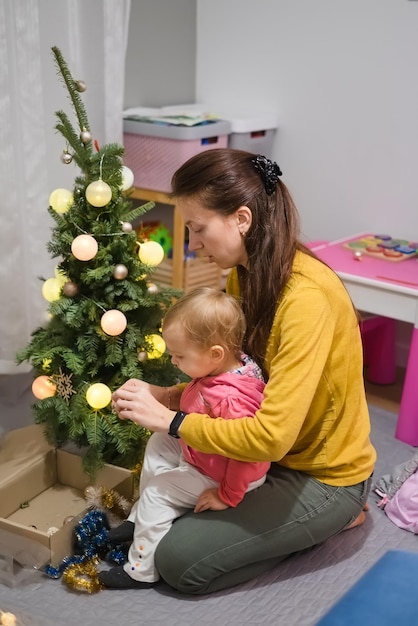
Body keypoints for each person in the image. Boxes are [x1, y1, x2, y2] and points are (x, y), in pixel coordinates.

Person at [106, 148, 376, 595]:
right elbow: (230, 377)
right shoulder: (242, 275)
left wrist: (174, 420)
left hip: (319, 474)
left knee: (178, 562)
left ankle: (337, 516)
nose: (193, 245)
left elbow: (271, 436)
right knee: (165, 506)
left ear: (242, 219)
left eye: (198, 229)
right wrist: (165, 395)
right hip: (260, 457)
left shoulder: (306, 300)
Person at [99, 286, 269, 589]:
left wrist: (227, 495)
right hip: (206, 455)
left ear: (215, 354)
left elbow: (250, 454)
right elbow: (194, 402)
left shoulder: (233, 399)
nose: (174, 362)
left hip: (223, 475)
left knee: (156, 492)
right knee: (160, 442)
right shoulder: (221, 368)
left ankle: (140, 569)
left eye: (179, 355)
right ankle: (141, 519)